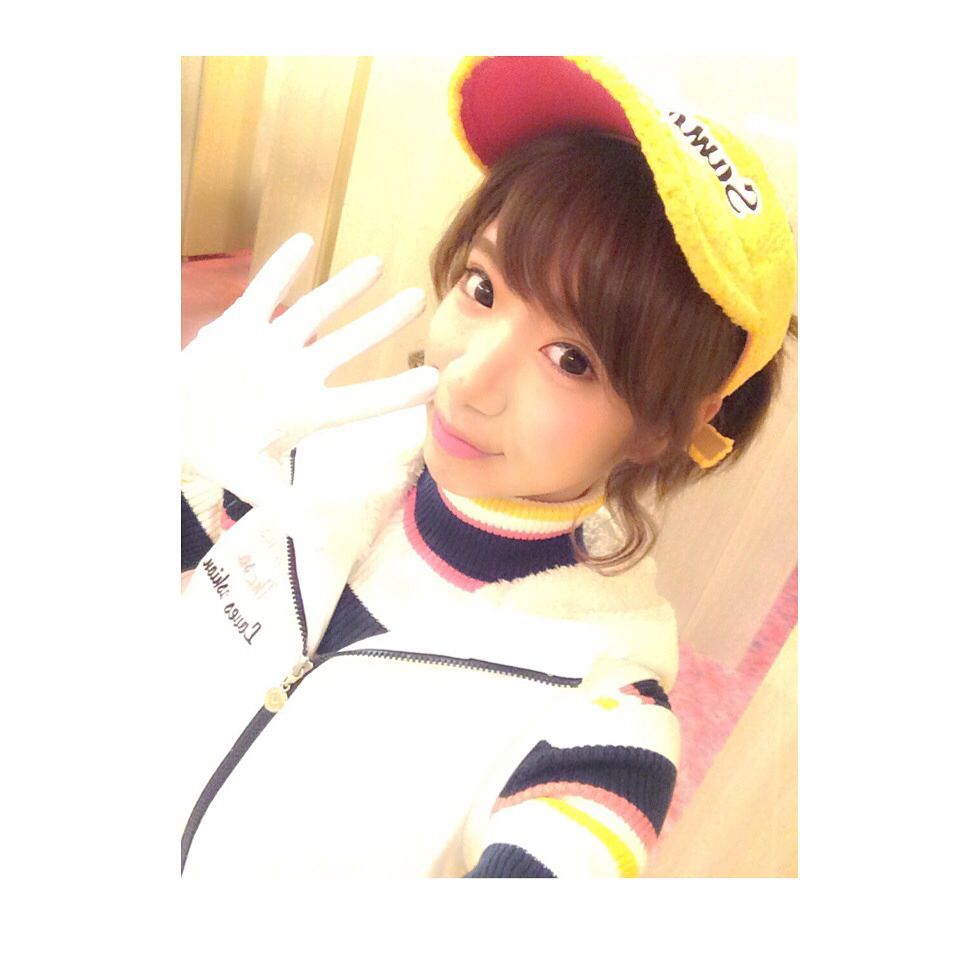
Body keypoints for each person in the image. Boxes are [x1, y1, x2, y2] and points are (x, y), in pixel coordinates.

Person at [179, 55, 797, 879]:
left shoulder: (602, 730)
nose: (469, 377)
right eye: (482, 287)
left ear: (663, 427)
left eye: (571, 359)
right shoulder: (302, 462)